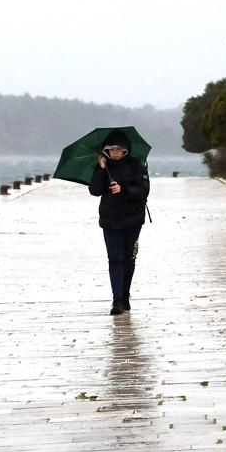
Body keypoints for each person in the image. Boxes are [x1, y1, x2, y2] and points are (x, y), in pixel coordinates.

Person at [89, 131, 150, 315]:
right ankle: (116, 300)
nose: (115, 153)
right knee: (114, 258)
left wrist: (124, 189)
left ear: (125, 150)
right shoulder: (102, 166)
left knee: (129, 258)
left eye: (118, 149)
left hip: (133, 219)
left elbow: (144, 191)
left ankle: (125, 294)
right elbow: (95, 191)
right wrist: (100, 169)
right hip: (110, 219)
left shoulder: (137, 165)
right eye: (111, 149)